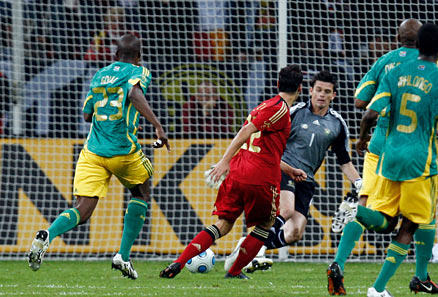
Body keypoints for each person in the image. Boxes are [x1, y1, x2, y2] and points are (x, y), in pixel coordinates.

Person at [350, 23, 438, 297]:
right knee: (412, 225)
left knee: (386, 220)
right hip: (419, 162)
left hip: (389, 156)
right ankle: (378, 288)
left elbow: (368, 114)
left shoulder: (395, 72)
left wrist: (362, 139)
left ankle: (358, 212)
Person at [27, 34, 170, 280]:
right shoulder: (139, 71)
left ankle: (47, 234)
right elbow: (135, 94)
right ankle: (123, 256)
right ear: (138, 57)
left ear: (115, 56)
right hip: (123, 150)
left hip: (92, 151)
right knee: (142, 191)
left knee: (81, 211)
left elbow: (86, 114)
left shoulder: (98, 75)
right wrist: (157, 125)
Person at [328, 18, 438, 296]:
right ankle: (417, 276)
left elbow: (360, 102)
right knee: (420, 216)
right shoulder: (428, 66)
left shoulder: (385, 62)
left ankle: (340, 261)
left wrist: (364, 135)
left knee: (376, 210)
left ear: (397, 37)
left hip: (378, 144)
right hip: (412, 148)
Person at [158, 64, 304, 280]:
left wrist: (289, 169)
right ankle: (234, 271)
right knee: (265, 225)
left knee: (223, 225)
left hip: (238, 172)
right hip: (260, 178)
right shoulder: (280, 109)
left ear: (277, 84)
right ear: (300, 88)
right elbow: (246, 131)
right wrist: (223, 161)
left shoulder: (263, 106)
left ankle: (179, 263)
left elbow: (261, 148)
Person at [224, 70, 362, 274]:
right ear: (310, 91)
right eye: (318, 90)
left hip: (306, 179)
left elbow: (344, 161)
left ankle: (248, 245)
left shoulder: (337, 124)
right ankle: (255, 249)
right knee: (286, 210)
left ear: (334, 95)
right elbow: (265, 137)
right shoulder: (293, 112)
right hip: (283, 168)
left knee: (295, 231)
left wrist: (359, 183)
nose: (321, 95)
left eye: (327, 91)